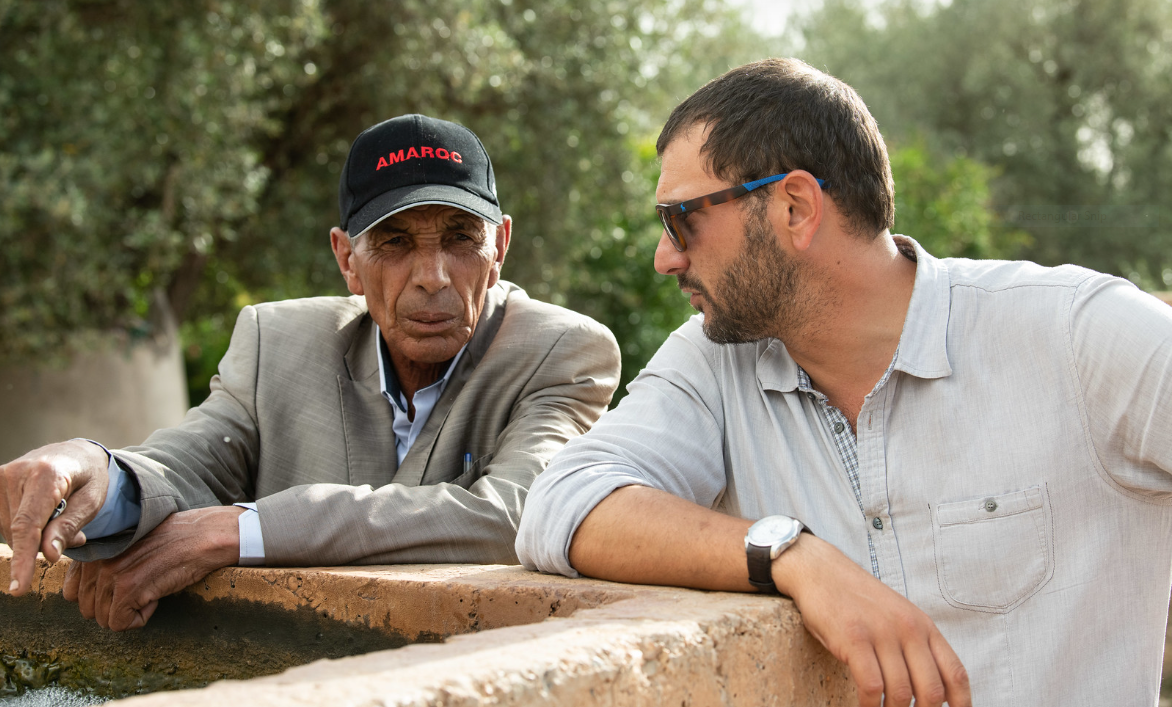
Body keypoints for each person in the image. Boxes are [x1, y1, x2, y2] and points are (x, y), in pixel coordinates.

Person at [515, 58, 1172, 707]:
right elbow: (559, 506)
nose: (666, 257)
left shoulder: (1078, 333)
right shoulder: (715, 360)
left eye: (683, 219)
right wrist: (790, 554)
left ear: (795, 207)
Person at [0, 114, 621, 632]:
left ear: (500, 247)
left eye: (461, 238)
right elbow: (191, 462)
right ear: (347, 260)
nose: (433, 275)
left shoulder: (563, 350)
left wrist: (238, 531)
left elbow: (518, 511)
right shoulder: (278, 341)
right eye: (396, 244)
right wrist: (97, 474)